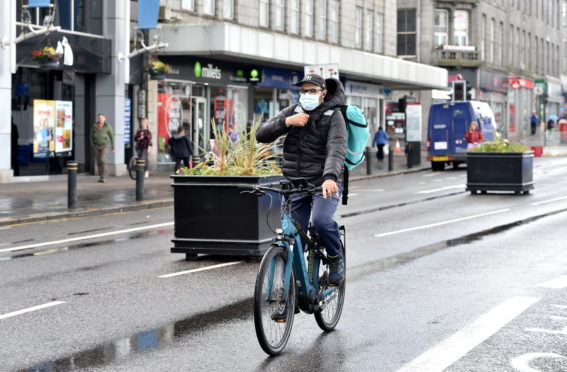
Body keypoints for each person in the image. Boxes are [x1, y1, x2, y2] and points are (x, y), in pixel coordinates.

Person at [256, 73, 347, 285]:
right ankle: (295, 289)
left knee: (321, 223)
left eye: (312, 91)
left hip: (323, 183)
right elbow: (261, 134)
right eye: (303, 91)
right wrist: (287, 122)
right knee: (292, 236)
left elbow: (336, 148)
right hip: (294, 183)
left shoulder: (334, 115)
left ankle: (335, 258)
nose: (306, 94)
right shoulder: (294, 111)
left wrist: (330, 177)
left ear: (323, 93)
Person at [90, 113, 115, 183]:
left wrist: (113, 147)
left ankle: (104, 176)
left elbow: (111, 137)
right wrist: (92, 144)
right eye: (99, 118)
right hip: (96, 146)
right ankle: (101, 176)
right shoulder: (94, 126)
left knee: (103, 160)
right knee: (98, 161)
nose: (100, 119)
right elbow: (91, 135)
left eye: (102, 118)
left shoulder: (107, 126)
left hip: (104, 146)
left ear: (104, 119)